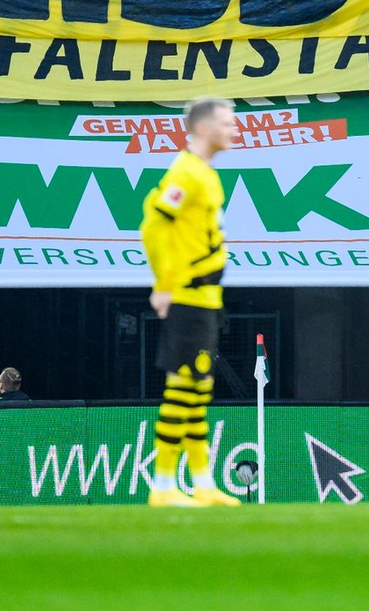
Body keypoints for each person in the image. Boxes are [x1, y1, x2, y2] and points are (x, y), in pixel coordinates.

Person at [141, 96, 240, 508]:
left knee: (199, 387)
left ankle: (202, 482)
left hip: (207, 295)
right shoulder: (186, 172)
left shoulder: (207, 174)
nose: (234, 129)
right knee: (182, 386)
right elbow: (153, 222)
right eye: (226, 122)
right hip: (186, 295)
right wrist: (163, 283)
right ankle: (162, 486)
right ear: (203, 128)